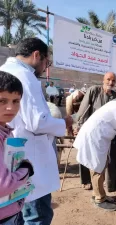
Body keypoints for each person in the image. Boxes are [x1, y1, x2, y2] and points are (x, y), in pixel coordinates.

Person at [0, 37, 73, 225]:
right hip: (30, 164)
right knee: (37, 216)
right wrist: (63, 123)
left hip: (11, 160)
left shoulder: (5, 71)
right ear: (36, 55)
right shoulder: (25, 76)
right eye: (46, 63)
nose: (45, 68)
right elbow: (37, 122)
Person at [74, 72, 116, 191]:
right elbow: (83, 109)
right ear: (103, 80)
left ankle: (107, 182)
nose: (110, 82)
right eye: (108, 79)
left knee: (107, 157)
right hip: (90, 130)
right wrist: (79, 126)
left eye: (113, 81)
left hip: (105, 132)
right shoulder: (94, 91)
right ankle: (86, 181)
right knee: (86, 155)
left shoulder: (115, 96)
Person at [0, 72, 34, 225]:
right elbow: (3, 185)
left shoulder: (5, 130)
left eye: (16, 101)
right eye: (2, 100)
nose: (10, 107)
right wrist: (26, 169)